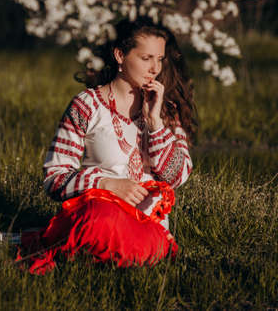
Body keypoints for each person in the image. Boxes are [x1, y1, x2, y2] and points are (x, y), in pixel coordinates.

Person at [17, 16, 196, 274]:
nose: (155, 68)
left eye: (159, 59)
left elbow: (177, 177)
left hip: (146, 226)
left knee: (135, 237)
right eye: (146, 58)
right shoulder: (87, 105)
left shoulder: (166, 111)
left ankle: (67, 245)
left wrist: (155, 123)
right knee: (99, 219)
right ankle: (78, 247)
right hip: (98, 214)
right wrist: (105, 184)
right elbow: (55, 179)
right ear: (120, 55)